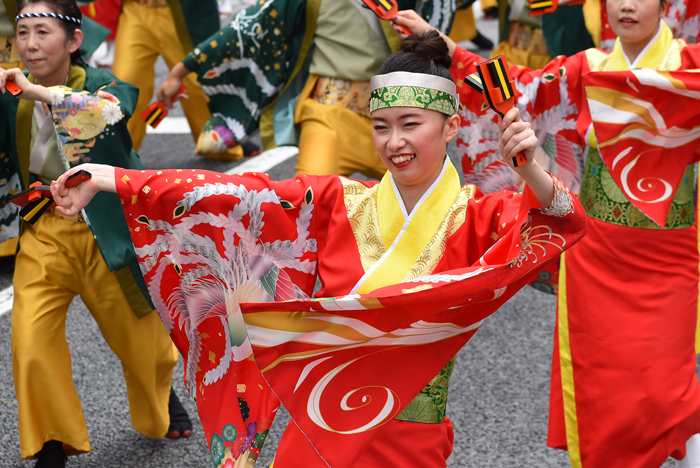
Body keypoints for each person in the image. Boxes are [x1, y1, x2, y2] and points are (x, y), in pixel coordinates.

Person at [44, 31, 586, 467]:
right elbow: (233, 194)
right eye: (381, 126)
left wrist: (530, 169)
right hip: (319, 430)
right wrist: (113, 177)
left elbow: (563, 222)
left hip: (412, 440)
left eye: (410, 125)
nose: (393, 141)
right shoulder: (336, 200)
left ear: (451, 126)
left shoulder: (475, 216)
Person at [393, 4, 700, 467]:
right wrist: (450, 49)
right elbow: (517, 87)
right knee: (605, 393)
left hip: (671, 255)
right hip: (596, 259)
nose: (627, 6)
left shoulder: (691, 68)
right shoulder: (586, 69)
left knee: (668, 390)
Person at [0, 0, 192, 465]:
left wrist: (39, 95)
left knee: (146, 349)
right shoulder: (9, 90)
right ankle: (50, 442)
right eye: (23, 33)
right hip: (43, 233)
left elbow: (109, 111)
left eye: (42, 32)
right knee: (29, 340)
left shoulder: (109, 86)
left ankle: (161, 395)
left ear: (74, 41)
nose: (29, 45)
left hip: (107, 233)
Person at [155, 0, 456, 178]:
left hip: (404, 115)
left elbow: (443, 32)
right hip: (329, 114)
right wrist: (180, 72)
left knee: (437, 211)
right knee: (306, 210)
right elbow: (245, 29)